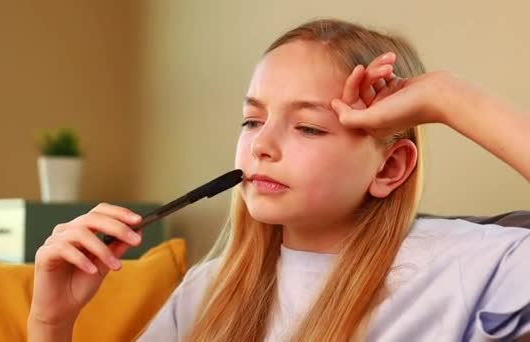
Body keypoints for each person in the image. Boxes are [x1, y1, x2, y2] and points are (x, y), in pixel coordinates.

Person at [28, 19, 530, 342]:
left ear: (390, 167)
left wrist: (449, 98)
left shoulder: (467, 266)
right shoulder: (207, 291)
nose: (261, 145)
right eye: (251, 120)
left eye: (308, 126)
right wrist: (52, 322)